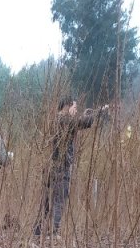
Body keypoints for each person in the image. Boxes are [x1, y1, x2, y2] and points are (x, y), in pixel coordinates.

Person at [34, 97, 109, 236]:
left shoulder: (57, 120)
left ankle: (38, 232)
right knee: (59, 200)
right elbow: (82, 123)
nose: (76, 110)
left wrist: (87, 115)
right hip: (60, 168)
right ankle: (53, 233)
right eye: (74, 107)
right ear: (67, 107)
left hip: (50, 167)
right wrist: (99, 112)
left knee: (46, 201)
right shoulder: (63, 119)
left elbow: (77, 123)